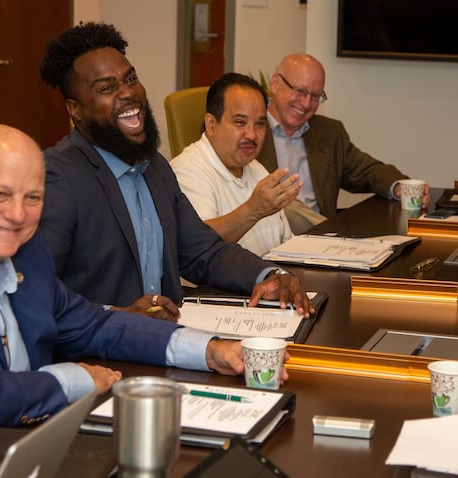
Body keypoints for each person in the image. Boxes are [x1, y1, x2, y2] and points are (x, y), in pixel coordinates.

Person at [0, 124, 256, 455]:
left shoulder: (25, 252)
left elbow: (95, 325)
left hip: (26, 440)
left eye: (33, 198)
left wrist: (209, 349)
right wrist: (76, 378)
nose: (17, 215)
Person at [38, 22, 314, 323]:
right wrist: (118, 316)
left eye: (131, 79)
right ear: (75, 110)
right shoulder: (57, 177)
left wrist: (270, 275)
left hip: (167, 338)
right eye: (107, 88)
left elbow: (202, 252)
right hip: (100, 354)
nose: (128, 93)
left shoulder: (154, 167)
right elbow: (38, 294)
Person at [258, 53, 430, 234]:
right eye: (300, 91)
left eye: (316, 96)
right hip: (267, 241)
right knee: (286, 208)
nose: (306, 103)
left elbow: (367, 170)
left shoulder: (329, 133)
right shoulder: (250, 131)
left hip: (318, 249)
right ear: (275, 84)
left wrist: (399, 187)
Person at [170, 72, 300, 257]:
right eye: (240, 122)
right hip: (216, 286)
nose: (252, 135)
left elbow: (285, 244)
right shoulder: (186, 171)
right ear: (211, 125)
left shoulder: (256, 169)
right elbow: (195, 245)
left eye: (260, 124)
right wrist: (254, 210)